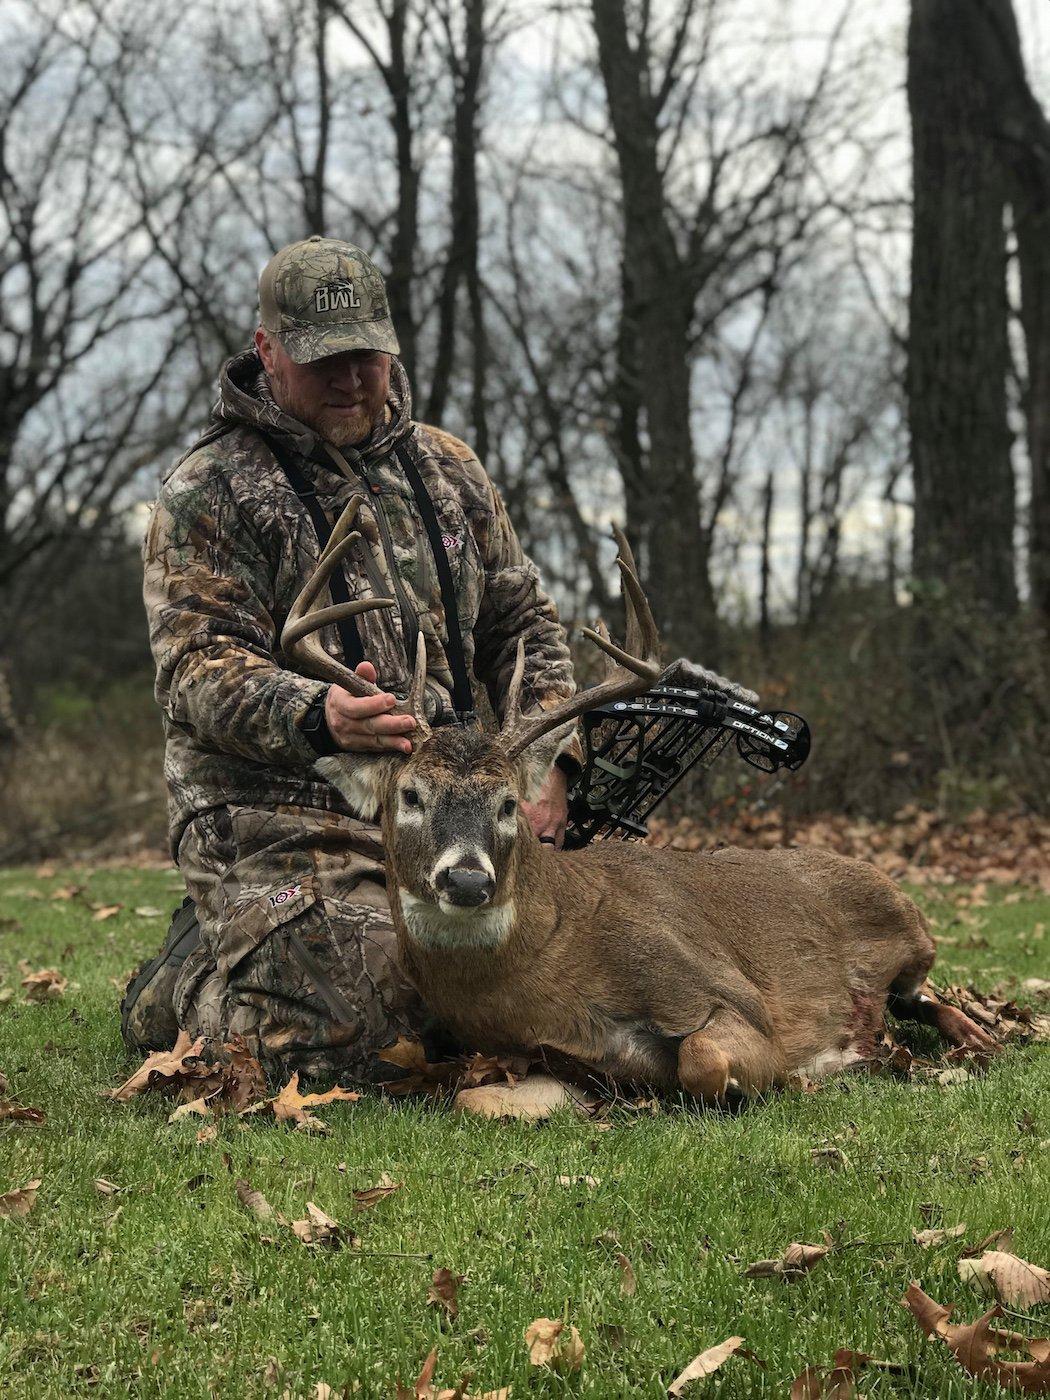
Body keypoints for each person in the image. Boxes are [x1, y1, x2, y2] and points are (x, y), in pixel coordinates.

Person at [122, 237, 586, 1084]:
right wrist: (316, 714)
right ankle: (188, 977)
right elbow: (195, 668)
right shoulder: (209, 492)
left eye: (365, 357)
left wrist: (545, 765)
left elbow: (522, 621)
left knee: (572, 977)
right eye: (322, 360)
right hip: (277, 813)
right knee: (369, 1029)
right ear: (268, 352)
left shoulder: (449, 470)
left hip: (462, 804)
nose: (349, 382)